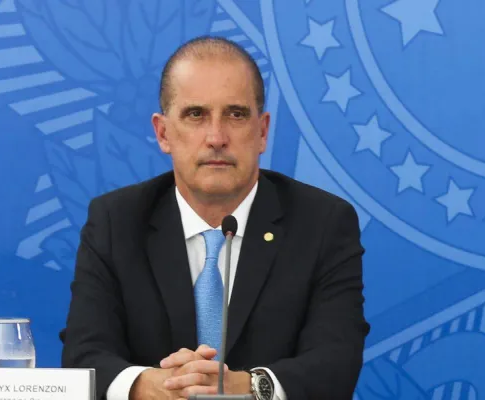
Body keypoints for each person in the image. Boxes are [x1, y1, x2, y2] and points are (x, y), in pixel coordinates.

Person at [60, 36, 370, 400]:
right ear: (163, 133)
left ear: (262, 131)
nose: (216, 137)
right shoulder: (116, 222)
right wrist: (151, 386)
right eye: (196, 114)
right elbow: (83, 355)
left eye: (236, 114)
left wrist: (247, 386)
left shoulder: (322, 224)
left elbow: (336, 362)